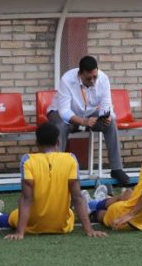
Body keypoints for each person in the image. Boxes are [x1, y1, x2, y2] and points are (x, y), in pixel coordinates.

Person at [0, 123, 106, 239]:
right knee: (71, 212)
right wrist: (89, 230)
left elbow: (26, 199)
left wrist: (20, 232)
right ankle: (95, 204)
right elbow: (77, 197)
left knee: (13, 216)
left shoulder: (28, 160)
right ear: (58, 142)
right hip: (62, 226)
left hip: (32, 226)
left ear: (37, 143)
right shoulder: (71, 159)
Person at [47, 55, 129, 185]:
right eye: (88, 78)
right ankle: (56, 170)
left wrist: (106, 116)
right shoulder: (67, 79)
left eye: (95, 77)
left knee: (110, 123)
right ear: (80, 74)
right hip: (62, 113)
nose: (93, 81)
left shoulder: (103, 79)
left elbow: (106, 104)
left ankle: (116, 168)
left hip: (88, 114)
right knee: (60, 126)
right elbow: (64, 112)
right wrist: (83, 122)